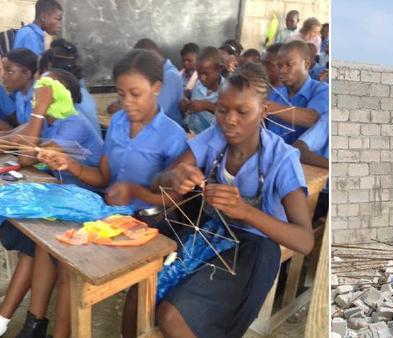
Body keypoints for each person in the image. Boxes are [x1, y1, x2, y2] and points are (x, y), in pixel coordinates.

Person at [148, 62, 313, 338]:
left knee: (172, 316)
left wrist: (244, 211)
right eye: (222, 110)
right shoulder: (214, 138)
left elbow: (305, 241)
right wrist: (173, 177)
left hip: (255, 248)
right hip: (213, 234)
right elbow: (158, 182)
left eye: (242, 111)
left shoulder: (282, 159)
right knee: (143, 294)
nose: (229, 120)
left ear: (264, 111)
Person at [33, 49, 189, 338]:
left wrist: (134, 191)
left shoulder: (173, 135)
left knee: (75, 264)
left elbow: (173, 202)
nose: (126, 103)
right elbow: (103, 177)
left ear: (157, 88)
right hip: (112, 214)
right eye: (121, 94)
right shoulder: (117, 123)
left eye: (135, 94)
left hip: (149, 223)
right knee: (64, 256)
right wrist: (72, 165)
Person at [0, 69, 103, 338]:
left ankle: (23, 324)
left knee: (39, 243)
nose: (38, 92)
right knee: (35, 244)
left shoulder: (73, 122)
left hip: (83, 203)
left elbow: (25, 159)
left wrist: (39, 110)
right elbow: (13, 141)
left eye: (45, 88)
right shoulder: (50, 121)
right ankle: (31, 325)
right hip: (60, 199)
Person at [267, 40, 328, 144]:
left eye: (289, 65)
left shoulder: (322, 90)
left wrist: (267, 106)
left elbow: (310, 118)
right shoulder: (274, 94)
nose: (282, 70)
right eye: (279, 66)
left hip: (305, 159)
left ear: (306, 64)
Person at [39, 39, 102, 136]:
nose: (37, 78)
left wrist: (38, 109)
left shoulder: (70, 99)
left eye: (42, 73)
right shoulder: (75, 91)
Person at [133, 38, 184, 127]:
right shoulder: (157, 73)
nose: (142, 66)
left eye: (143, 62)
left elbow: (158, 110)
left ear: (152, 55)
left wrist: (126, 108)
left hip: (168, 132)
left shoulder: (169, 75)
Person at [180, 47, 225, 135]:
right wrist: (186, 105)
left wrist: (208, 106)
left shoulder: (227, 91)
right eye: (199, 73)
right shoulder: (198, 84)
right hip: (191, 132)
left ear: (219, 69)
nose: (202, 78)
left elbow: (227, 118)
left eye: (206, 74)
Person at [2, 48, 38, 127]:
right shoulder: (19, 95)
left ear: (27, 74)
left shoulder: (39, 96)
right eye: (4, 71)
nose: (4, 76)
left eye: (10, 72)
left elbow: (34, 135)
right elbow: (22, 128)